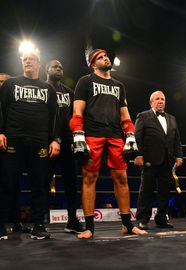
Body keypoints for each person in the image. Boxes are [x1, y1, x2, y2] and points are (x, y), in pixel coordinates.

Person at [69, 48, 147, 238]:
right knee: (90, 178)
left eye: (106, 56)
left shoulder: (119, 85)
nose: (106, 58)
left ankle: (127, 224)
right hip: (92, 133)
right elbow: (77, 112)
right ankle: (89, 227)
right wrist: (78, 136)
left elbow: (125, 116)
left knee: (122, 178)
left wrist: (130, 135)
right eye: (101, 57)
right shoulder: (85, 81)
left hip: (114, 135)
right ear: (93, 64)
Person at [0, 49, 60, 240]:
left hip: (40, 141)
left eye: (31, 59)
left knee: (40, 184)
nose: (27, 62)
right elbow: (1, 109)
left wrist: (54, 139)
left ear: (39, 63)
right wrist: (0, 132)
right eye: (24, 59)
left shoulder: (48, 88)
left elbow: (55, 116)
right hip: (13, 139)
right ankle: (1, 225)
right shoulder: (10, 84)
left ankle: (38, 225)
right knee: (8, 183)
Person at [134, 90, 183, 230]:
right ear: (151, 102)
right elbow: (137, 137)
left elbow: (177, 139)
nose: (160, 101)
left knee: (164, 191)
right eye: (157, 99)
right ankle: (143, 219)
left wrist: (179, 155)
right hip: (149, 159)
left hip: (167, 160)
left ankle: (161, 218)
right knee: (146, 190)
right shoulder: (143, 116)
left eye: (162, 99)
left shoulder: (172, 118)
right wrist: (138, 155)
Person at [45, 60, 83, 233]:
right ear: (47, 70)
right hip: (47, 141)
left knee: (71, 183)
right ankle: (40, 220)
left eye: (61, 67)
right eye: (55, 66)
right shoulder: (41, 89)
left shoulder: (69, 92)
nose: (59, 69)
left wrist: (76, 139)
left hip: (68, 144)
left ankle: (72, 220)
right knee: (43, 181)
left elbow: (75, 117)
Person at [0, 72, 31, 234]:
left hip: (10, 145)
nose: (3, 84)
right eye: (0, 81)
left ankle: (15, 221)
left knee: (14, 183)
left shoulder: (13, 103)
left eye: (5, 82)